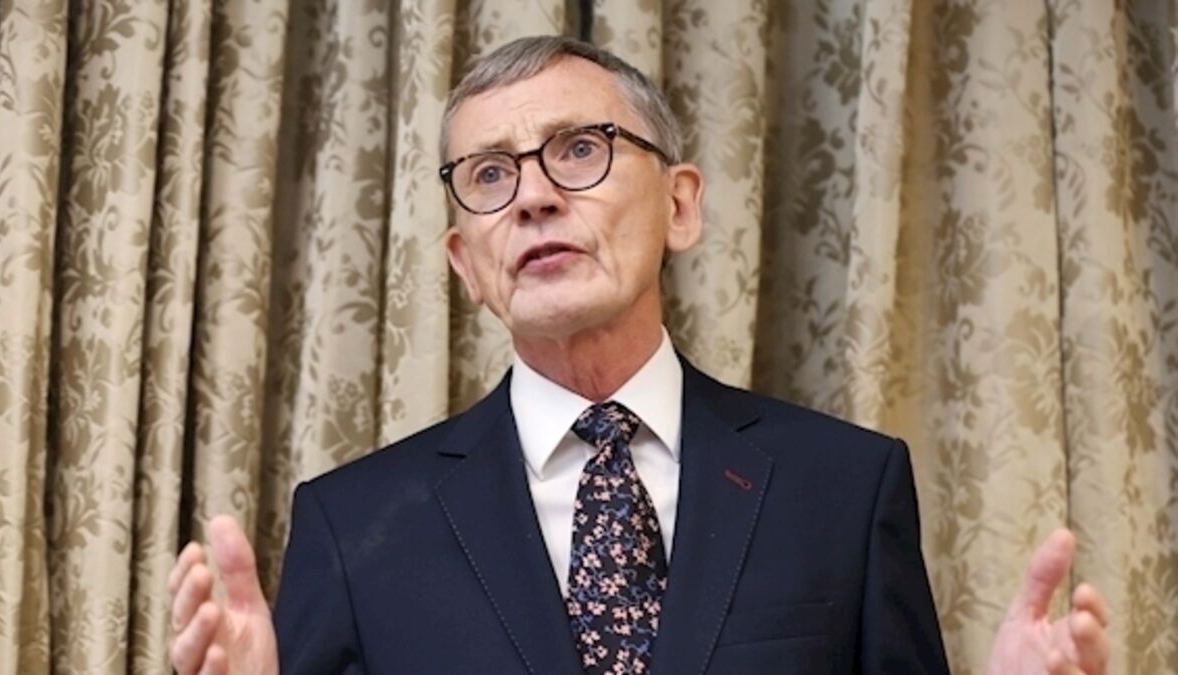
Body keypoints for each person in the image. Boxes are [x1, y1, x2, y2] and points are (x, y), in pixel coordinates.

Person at [168, 36, 1111, 674]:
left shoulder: (844, 490)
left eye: (580, 149)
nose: (534, 196)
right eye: (490, 174)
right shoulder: (353, 525)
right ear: (466, 264)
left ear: (680, 205)